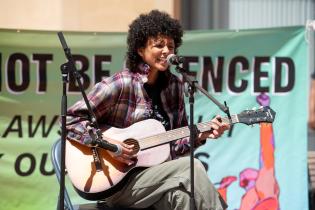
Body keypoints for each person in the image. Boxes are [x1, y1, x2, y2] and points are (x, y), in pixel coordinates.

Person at [65, 10, 230, 210]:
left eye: (170, 46)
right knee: (191, 167)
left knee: (184, 195)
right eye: (159, 45)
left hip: (156, 179)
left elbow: (174, 147)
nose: (167, 51)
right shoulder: (121, 84)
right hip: (118, 185)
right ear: (140, 50)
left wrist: (200, 135)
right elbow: (70, 120)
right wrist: (110, 145)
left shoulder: (175, 87)